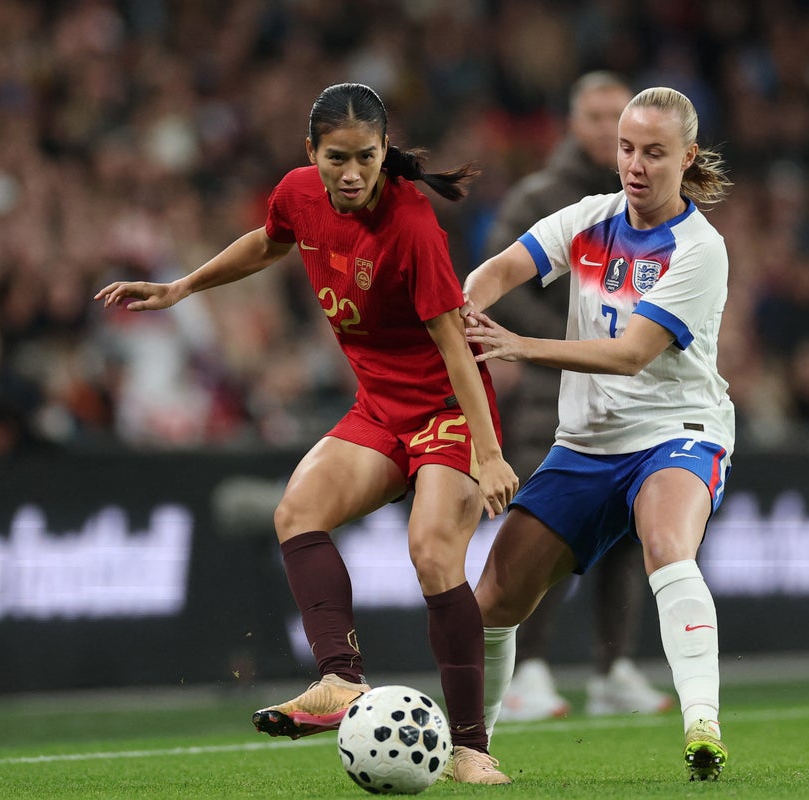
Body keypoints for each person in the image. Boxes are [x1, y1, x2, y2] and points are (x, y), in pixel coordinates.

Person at [95, 83, 519, 784]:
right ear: (311, 154)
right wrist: (180, 289)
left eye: (365, 158)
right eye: (336, 159)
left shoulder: (411, 224)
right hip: (380, 409)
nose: (351, 174)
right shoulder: (297, 195)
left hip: (447, 411)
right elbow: (268, 243)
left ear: (385, 153)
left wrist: (489, 450)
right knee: (296, 511)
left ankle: (472, 748)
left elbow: (453, 344)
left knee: (433, 554)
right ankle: (340, 680)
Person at [461, 86, 734, 781]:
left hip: (678, 430)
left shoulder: (700, 250)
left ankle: (701, 720)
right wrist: (459, 309)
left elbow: (630, 353)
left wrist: (523, 346)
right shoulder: (589, 218)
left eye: (654, 152)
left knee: (668, 544)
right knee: (494, 596)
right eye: (625, 149)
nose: (635, 166)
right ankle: (472, 747)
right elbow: (502, 267)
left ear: (687, 157)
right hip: (586, 442)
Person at [483, 71, 671, 721]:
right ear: (572, 122)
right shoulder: (540, 197)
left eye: (614, 117)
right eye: (593, 115)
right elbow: (502, 286)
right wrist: (573, 344)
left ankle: (613, 668)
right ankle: (523, 672)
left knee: (625, 537)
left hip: (633, 396)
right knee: (550, 535)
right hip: (553, 398)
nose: (603, 128)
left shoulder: (651, 205)